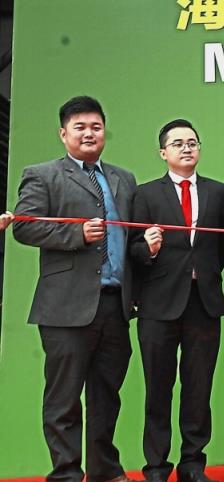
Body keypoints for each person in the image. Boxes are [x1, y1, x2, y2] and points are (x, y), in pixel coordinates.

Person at [12, 96, 139, 482]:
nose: (89, 133)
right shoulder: (42, 174)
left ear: (105, 132)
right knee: (64, 399)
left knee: (107, 397)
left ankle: (105, 470)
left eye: (96, 127)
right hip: (65, 307)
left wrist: (145, 244)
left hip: (116, 305)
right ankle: (66, 473)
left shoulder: (123, 178)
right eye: (80, 127)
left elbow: (126, 239)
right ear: (63, 133)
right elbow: (24, 225)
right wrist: (76, 233)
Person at [129, 119, 224, 482]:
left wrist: (200, 274)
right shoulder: (145, 194)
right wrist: (151, 249)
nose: (186, 148)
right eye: (177, 143)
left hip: (203, 302)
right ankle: (156, 466)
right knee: (158, 388)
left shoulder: (218, 193)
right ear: (163, 153)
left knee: (198, 388)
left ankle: (192, 464)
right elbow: (133, 251)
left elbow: (223, 247)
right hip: (158, 305)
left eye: (192, 142)